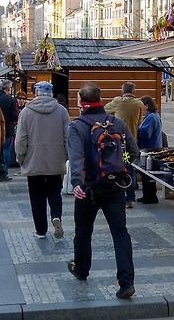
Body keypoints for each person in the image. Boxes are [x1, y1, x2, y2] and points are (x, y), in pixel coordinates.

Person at [67, 82, 139, 299]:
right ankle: (126, 282)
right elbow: (133, 151)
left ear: (81, 101)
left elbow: (76, 157)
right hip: (115, 186)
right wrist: (122, 166)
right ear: (100, 99)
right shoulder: (115, 122)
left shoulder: (77, 125)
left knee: (83, 231)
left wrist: (77, 183)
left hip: (88, 188)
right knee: (120, 234)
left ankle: (81, 269)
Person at [15, 81, 70, 239]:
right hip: (55, 159)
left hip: (33, 160)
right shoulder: (62, 111)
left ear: (36, 93)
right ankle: (56, 216)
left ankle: (40, 230)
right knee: (54, 191)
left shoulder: (26, 112)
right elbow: (68, 137)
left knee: (36, 196)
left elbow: (21, 139)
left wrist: (21, 158)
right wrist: (65, 156)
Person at [104, 82, 144, 208]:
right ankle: (129, 198)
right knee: (129, 169)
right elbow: (139, 122)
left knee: (114, 168)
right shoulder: (139, 104)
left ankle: (115, 195)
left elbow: (105, 110)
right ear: (134, 91)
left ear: (122, 91)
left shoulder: (117, 102)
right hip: (131, 143)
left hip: (117, 144)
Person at [137, 96, 163, 204]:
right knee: (147, 174)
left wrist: (136, 127)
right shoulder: (154, 116)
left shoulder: (151, 117)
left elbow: (145, 134)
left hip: (150, 149)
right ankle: (147, 195)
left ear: (146, 106)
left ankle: (150, 197)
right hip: (153, 148)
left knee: (147, 174)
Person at [0, 80, 18, 181]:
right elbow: (14, 116)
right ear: (8, 88)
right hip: (7, 128)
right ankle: (4, 172)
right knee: (6, 150)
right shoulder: (10, 100)